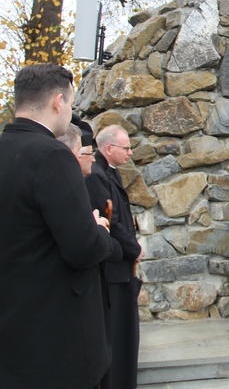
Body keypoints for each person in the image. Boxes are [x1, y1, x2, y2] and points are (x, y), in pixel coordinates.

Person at [0, 63, 113, 388]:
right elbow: (83, 248)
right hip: (53, 339)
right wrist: (100, 232)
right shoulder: (52, 156)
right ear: (58, 102)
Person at [86, 124, 144, 389]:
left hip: (121, 267)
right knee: (118, 334)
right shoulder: (97, 176)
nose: (130, 153)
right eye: (126, 147)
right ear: (108, 149)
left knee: (125, 333)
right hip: (113, 270)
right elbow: (113, 221)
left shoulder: (108, 172)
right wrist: (134, 249)